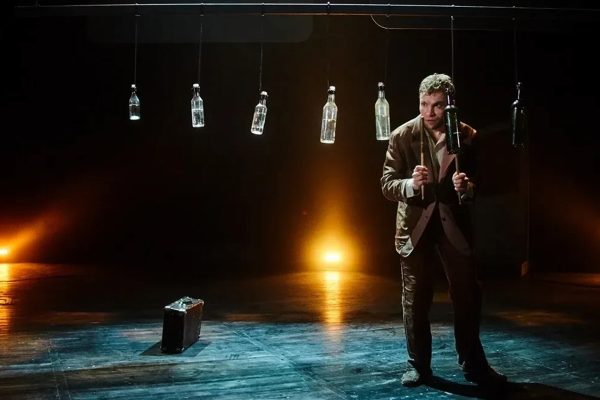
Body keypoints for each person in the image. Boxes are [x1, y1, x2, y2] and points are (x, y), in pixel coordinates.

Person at [380, 73, 506, 388]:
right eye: (424, 104)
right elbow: (386, 183)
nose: (429, 112)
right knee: (415, 298)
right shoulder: (402, 135)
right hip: (415, 228)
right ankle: (418, 365)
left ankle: (473, 364)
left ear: (450, 104)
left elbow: (482, 182)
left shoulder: (467, 136)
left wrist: (467, 188)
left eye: (437, 105)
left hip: (454, 227)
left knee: (467, 295)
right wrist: (410, 184)